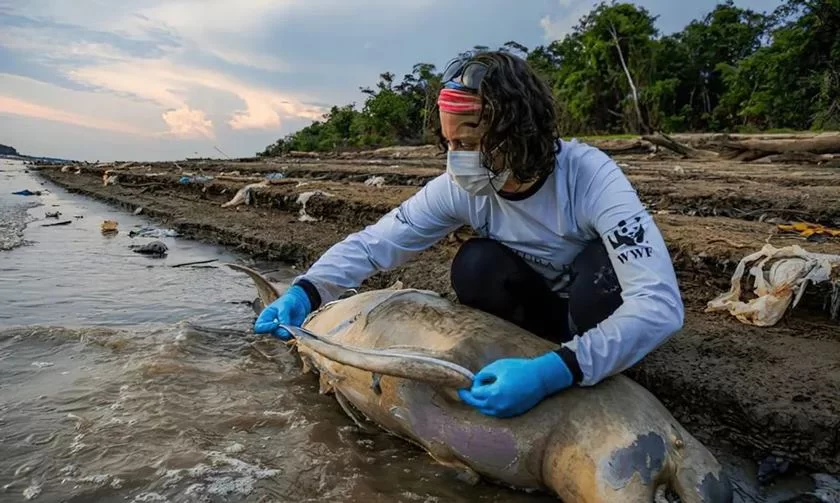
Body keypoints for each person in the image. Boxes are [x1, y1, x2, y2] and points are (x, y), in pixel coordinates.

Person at [254, 51, 684, 419]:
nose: (459, 160)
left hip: (591, 309)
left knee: (602, 268)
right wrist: (307, 291)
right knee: (475, 264)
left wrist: (556, 371)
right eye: (450, 145)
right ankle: (530, 357)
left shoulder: (590, 178)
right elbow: (377, 243)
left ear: (519, 131)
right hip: (538, 313)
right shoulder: (462, 188)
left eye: (472, 141)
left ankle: (578, 361)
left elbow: (659, 305)